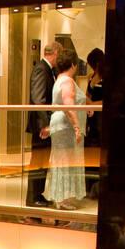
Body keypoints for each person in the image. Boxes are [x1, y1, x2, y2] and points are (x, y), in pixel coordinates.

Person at [44, 53, 87, 209]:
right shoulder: (67, 81)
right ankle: (61, 199)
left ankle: (60, 197)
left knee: (61, 160)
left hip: (59, 123)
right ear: (73, 65)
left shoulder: (59, 80)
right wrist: (76, 127)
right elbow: (69, 106)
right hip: (65, 125)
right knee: (65, 161)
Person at [26, 41, 60, 206]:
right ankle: (33, 198)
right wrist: (45, 125)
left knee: (42, 161)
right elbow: (38, 99)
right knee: (38, 161)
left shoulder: (47, 69)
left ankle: (37, 195)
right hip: (41, 125)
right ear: (55, 54)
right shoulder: (41, 69)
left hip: (44, 124)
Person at [85, 46, 104, 149]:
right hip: (91, 114)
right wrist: (89, 103)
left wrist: (92, 104)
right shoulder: (91, 76)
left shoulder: (105, 77)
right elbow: (87, 95)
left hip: (101, 113)